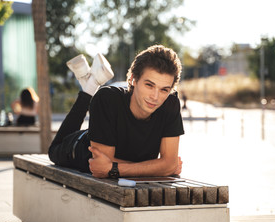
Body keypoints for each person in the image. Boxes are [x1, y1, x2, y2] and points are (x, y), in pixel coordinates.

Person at [48, 45, 184, 179]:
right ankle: (89, 89)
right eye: (149, 85)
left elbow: (169, 165)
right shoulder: (108, 98)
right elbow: (102, 163)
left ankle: (89, 82)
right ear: (132, 80)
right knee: (53, 150)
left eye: (164, 90)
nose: (155, 97)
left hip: (105, 135)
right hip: (78, 148)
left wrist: (113, 168)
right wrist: (160, 168)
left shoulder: (170, 104)